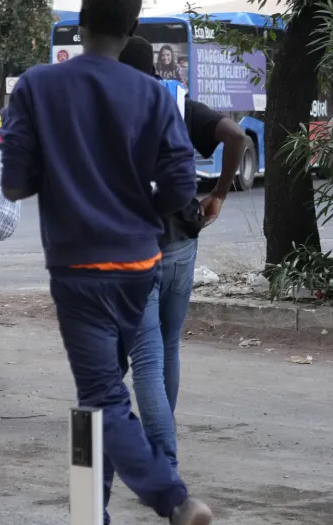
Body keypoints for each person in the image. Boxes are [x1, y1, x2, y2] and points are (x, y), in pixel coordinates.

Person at [0, 0, 225, 525]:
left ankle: (175, 506)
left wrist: (69, 168)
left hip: (79, 270)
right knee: (105, 397)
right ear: (131, 31)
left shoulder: (36, 87)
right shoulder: (153, 95)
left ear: (80, 27)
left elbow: (13, 185)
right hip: (141, 269)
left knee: (100, 398)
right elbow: (178, 193)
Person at [119, 36, 249, 468]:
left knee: (145, 359)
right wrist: (219, 193)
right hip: (180, 243)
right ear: (156, 66)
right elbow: (236, 135)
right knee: (167, 346)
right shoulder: (177, 100)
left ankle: (161, 459)